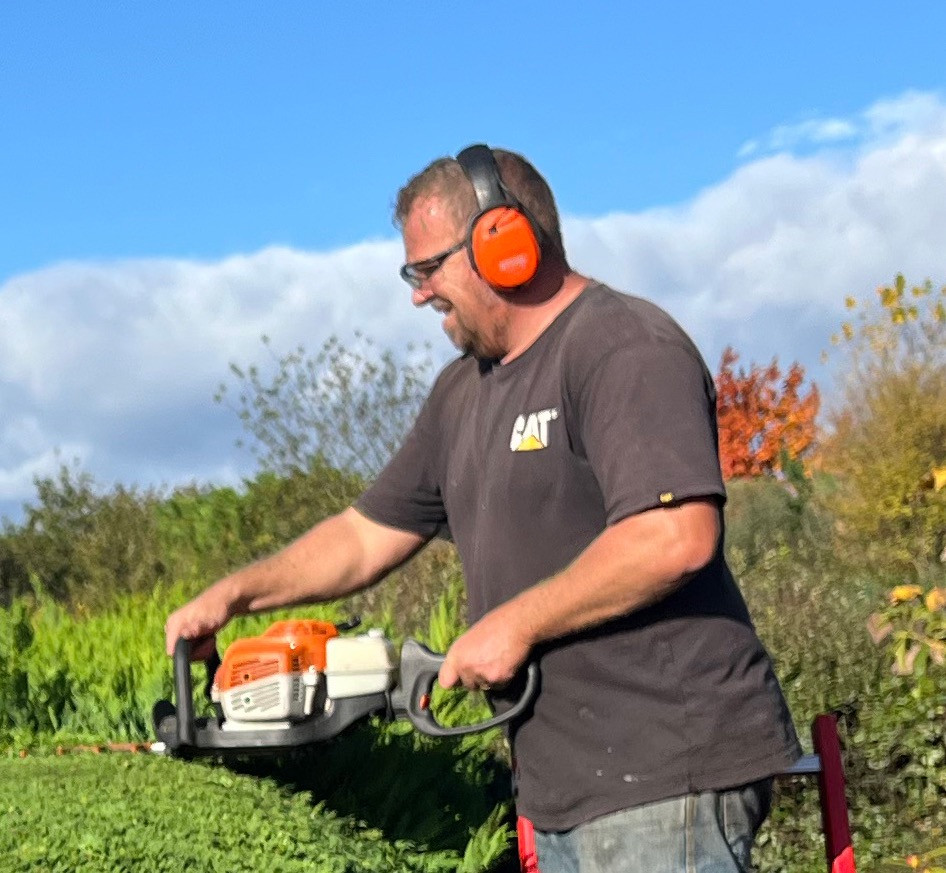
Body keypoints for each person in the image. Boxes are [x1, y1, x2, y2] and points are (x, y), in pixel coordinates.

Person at [165, 144, 802, 872]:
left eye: (426, 268)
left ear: (506, 243)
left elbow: (675, 533)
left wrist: (515, 622)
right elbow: (364, 536)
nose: (417, 294)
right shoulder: (461, 394)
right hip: (566, 787)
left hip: (668, 771)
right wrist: (232, 594)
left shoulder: (621, 346)